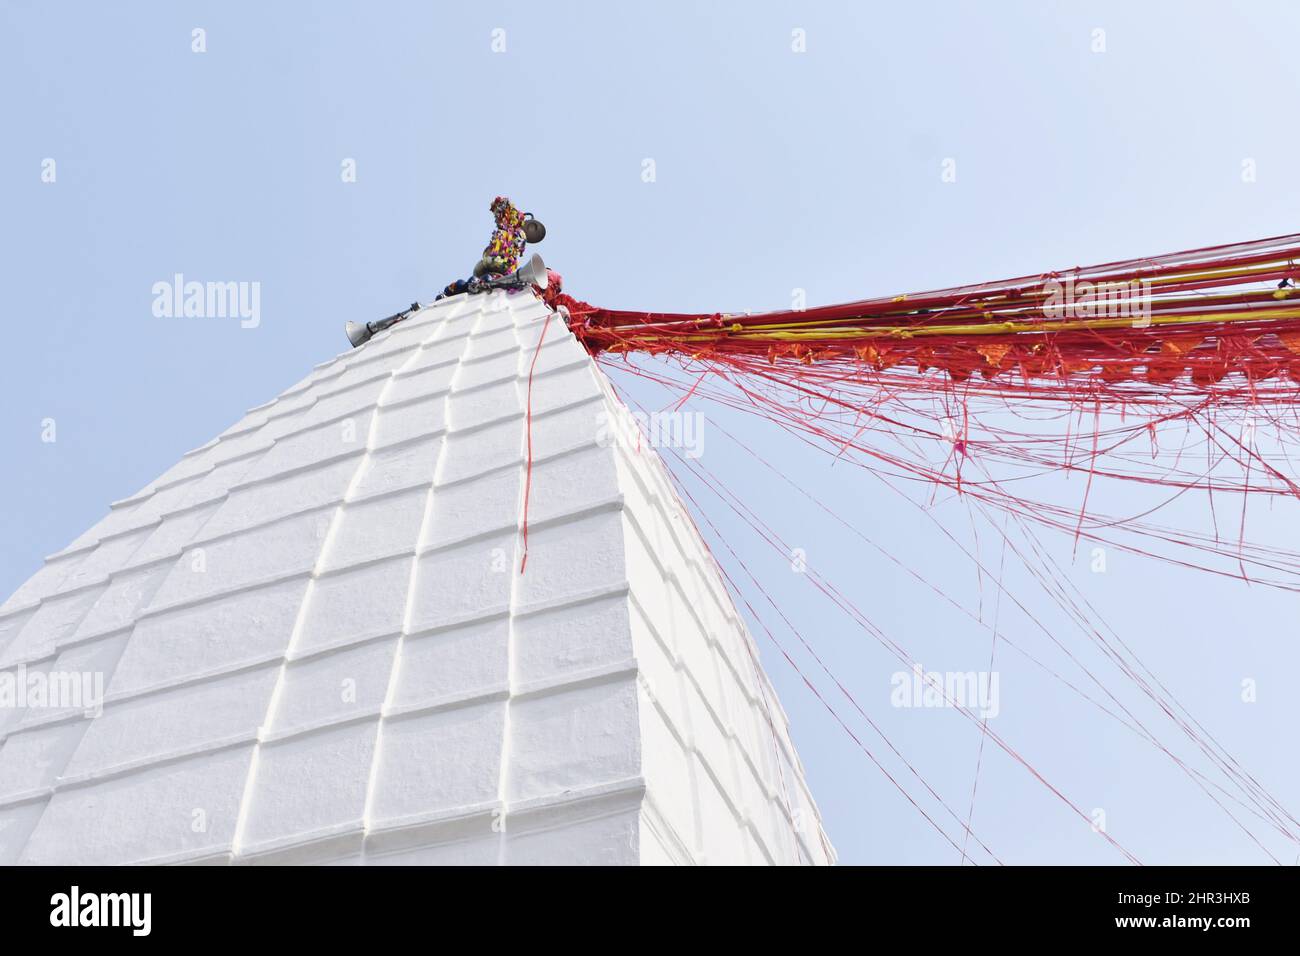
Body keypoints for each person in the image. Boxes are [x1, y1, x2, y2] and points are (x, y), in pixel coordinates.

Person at [437, 196, 546, 298]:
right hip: (498, 260)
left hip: (502, 263)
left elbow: (500, 206)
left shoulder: (515, 233)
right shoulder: (508, 231)